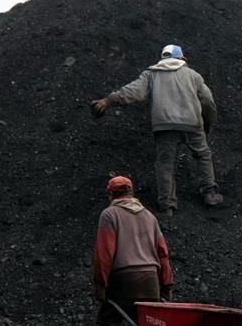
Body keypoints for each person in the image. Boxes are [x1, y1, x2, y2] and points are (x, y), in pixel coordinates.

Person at [91, 44, 222, 216]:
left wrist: (109, 100)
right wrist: (208, 124)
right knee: (203, 155)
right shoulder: (192, 75)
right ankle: (210, 194)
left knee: (165, 165)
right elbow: (208, 101)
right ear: (181, 59)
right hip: (192, 124)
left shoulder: (152, 74)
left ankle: (167, 205)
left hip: (164, 126)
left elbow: (133, 92)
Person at [93, 175, 175, 326]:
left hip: (124, 278)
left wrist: (101, 284)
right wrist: (166, 284)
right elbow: (163, 252)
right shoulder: (149, 216)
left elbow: (105, 253)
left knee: (107, 321)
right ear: (131, 192)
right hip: (151, 279)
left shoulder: (109, 215)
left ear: (111, 194)